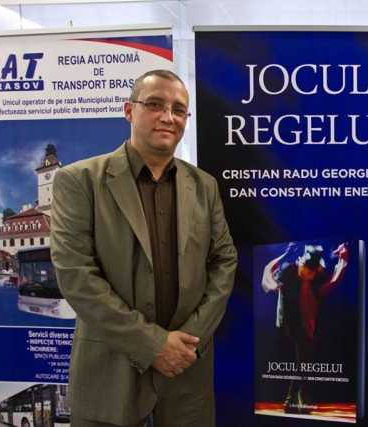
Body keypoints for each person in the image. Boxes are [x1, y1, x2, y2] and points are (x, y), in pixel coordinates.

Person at [50, 70, 238, 427]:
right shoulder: (79, 181)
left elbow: (224, 262)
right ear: (128, 111)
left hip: (186, 374)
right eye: (155, 105)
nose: (168, 117)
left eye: (178, 109)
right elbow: (76, 276)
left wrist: (188, 343)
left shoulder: (204, 186)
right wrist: (153, 345)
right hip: (110, 375)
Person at [261, 242, 349, 413]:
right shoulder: (288, 271)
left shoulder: (317, 275)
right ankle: (298, 400)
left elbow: (331, 285)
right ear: (301, 263)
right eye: (307, 268)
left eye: (312, 270)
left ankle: (294, 401)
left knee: (305, 362)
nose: (309, 273)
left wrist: (343, 261)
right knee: (304, 360)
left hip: (308, 323)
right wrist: (283, 258)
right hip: (291, 323)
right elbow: (268, 273)